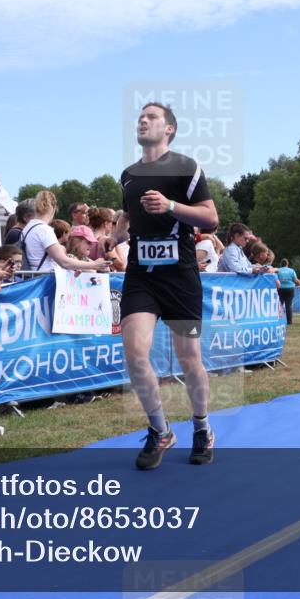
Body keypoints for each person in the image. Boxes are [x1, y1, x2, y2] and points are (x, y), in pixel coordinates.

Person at [113, 101, 219, 469]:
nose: (142, 121)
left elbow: (211, 218)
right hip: (141, 275)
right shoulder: (127, 175)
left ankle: (202, 428)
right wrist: (115, 234)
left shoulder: (186, 167)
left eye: (151, 117)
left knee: (189, 359)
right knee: (134, 352)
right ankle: (160, 430)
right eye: (139, 117)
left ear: (169, 128)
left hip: (180, 277)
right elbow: (127, 216)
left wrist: (171, 206)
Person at [20, 191, 111, 273]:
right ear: (53, 207)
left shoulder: (27, 229)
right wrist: (94, 265)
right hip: (45, 279)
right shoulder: (44, 229)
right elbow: (64, 262)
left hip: (33, 277)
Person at [276, 259, 300, 325]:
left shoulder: (278, 270)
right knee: (288, 305)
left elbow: (275, 280)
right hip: (290, 289)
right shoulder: (291, 271)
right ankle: (289, 322)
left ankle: (278, 321)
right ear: (287, 264)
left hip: (280, 289)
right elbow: (296, 281)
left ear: (281, 264)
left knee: (279, 305)